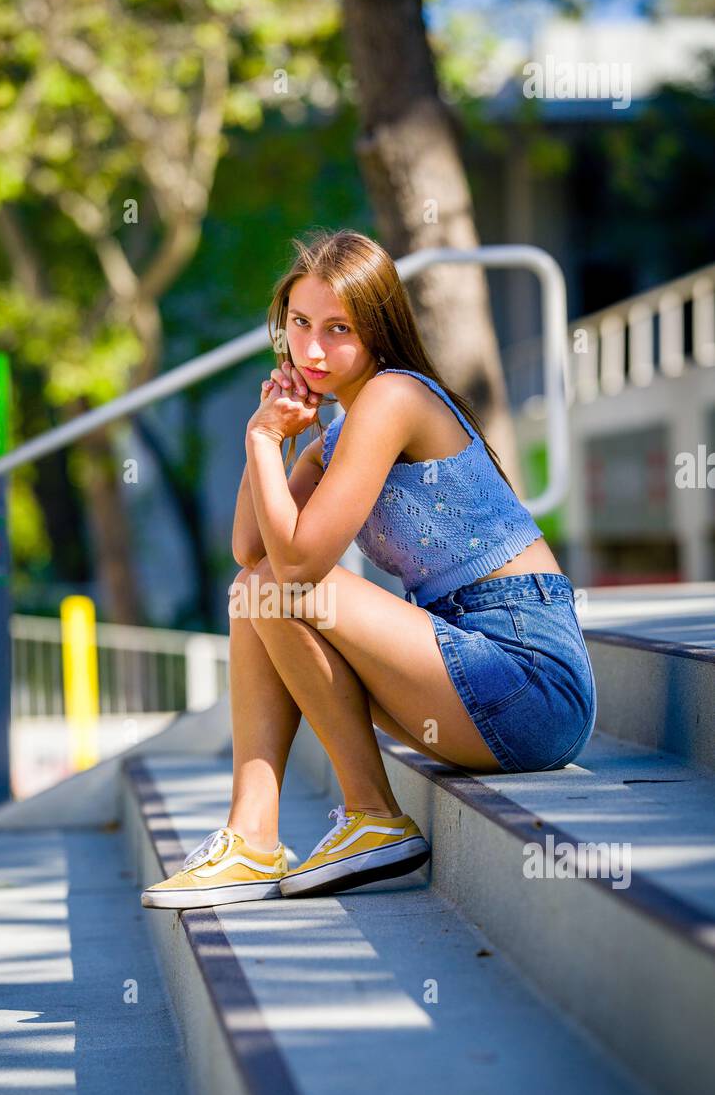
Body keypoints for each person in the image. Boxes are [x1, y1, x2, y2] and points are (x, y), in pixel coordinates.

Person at [142, 228, 596, 910]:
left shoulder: (395, 398)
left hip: (528, 678)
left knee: (274, 588)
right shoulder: (337, 434)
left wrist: (265, 440)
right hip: (460, 674)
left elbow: (294, 565)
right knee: (254, 590)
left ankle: (371, 815)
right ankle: (252, 836)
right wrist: (270, 438)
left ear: (378, 330)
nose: (313, 349)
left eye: (338, 329)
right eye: (299, 324)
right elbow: (249, 548)